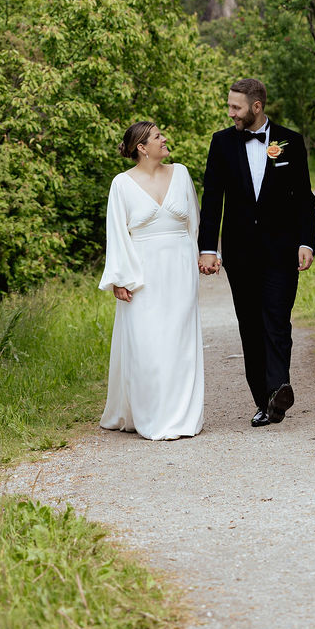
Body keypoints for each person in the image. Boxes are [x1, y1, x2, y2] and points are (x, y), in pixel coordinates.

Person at [197, 78, 315, 428]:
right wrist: (207, 248)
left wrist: (306, 242)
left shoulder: (289, 142)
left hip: (281, 251)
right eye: (230, 106)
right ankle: (266, 401)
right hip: (240, 252)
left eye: (236, 107)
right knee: (250, 325)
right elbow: (212, 198)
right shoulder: (221, 143)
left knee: (277, 319)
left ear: (257, 107)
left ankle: (279, 386)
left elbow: (304, 198)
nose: (231, 112)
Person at [99, 122, 204, 439]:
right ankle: (151, 414)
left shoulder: (181, 173)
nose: (165, 139)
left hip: (179, 269)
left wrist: (195, 260)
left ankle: (184, 416)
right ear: (142, 147)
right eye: (158, 137)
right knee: (147, 345)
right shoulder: (122, 184)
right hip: (142, 274)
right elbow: (117, 233)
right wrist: (120, 278)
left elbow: (193, 223)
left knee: (180, 343)